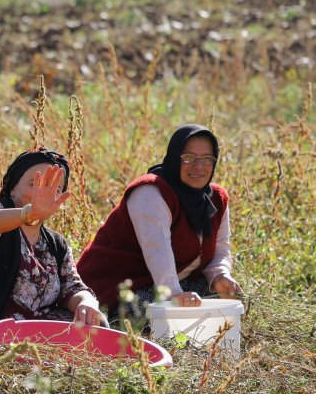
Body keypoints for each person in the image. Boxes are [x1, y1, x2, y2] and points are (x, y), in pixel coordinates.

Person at [0, 148, 103, 349]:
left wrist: (85, 302)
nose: (43, 193)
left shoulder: (55, 243)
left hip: (36, 338)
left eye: (55, 188)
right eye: (35, 184)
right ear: (12, 187)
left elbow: (72, 287)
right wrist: (28, 214)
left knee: (98, 324)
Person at [77, 125, 240, 320]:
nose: (199, 166)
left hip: (170, 283)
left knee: (231, 302)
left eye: (207, 159)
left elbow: (220, 249)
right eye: (188, 157)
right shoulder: (150, 192)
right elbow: (157, 249)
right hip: (118, 289)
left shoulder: (216, 199)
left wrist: (220, 276)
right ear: (174, 157)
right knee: (146, 315)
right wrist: (174, 295)